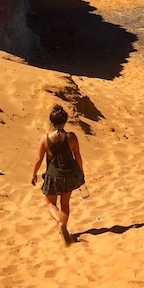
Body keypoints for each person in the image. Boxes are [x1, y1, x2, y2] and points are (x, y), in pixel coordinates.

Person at [30, 104, 85, 243]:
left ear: (51, 121)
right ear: (65, 121)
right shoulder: (72, 137)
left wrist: (34, 174)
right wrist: (81, 172)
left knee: (50, 204)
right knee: (65, 204)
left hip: (53, 176)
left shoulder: (45, 138)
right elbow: (78, 156)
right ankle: (63, 226)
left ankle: (59, 222)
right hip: (68, 175)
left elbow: (38, 159)